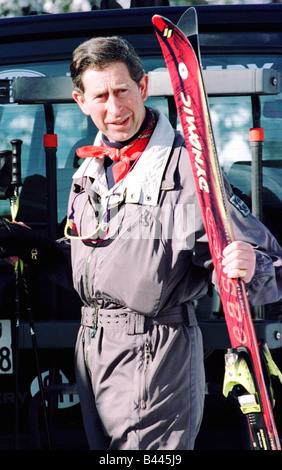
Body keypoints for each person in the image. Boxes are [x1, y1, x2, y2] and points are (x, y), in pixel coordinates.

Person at [0, 36, 282, 450]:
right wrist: (33, 249)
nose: (114, 110)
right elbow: (104, 265)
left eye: (122, 91)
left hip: (155, 353)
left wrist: (251, 264)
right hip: (92, 349)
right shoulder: (91, 168)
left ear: (143, 88)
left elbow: (266, 260)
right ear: (81, 102)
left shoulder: (187, 168)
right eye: (101, 96)